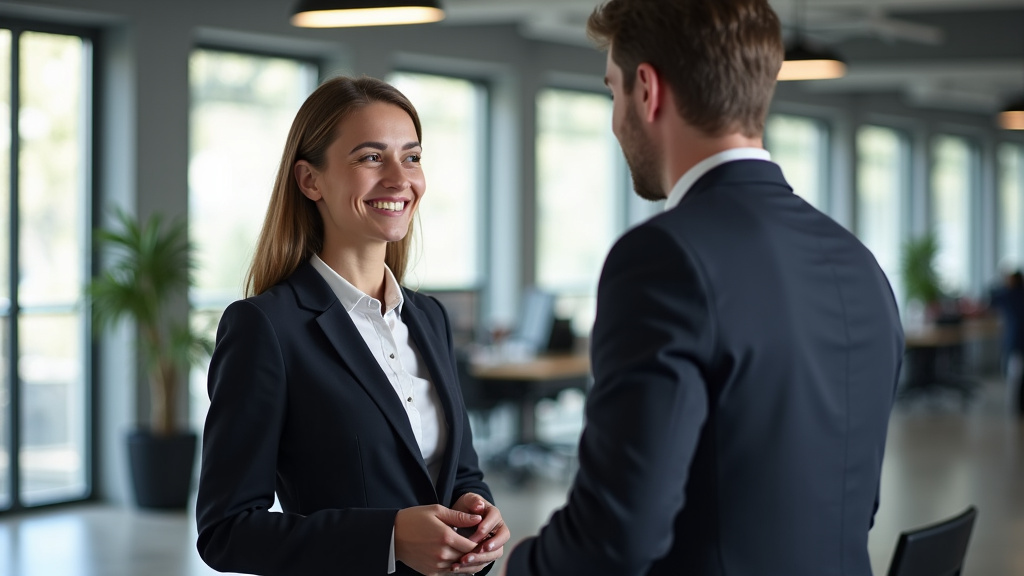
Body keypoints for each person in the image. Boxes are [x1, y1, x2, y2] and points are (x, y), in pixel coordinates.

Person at [503, 1, 904, 575]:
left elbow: (616, 536)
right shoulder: (856, 260)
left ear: (647, 90)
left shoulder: (662, 259)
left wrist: (521, 566)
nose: (616, 118)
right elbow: (850, 506)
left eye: (613, 90)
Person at [196, 76, 509, 576]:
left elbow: (460, 470)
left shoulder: (429, 318)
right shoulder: (266, 328)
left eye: (411, 156)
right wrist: (390, 539)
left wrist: (479, 514)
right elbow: (227, 531)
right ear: (309, 180)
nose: (399, 178)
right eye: (370, 158)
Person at [988, 270, 1024, 414]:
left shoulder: (1009, 294)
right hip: (1018, 339)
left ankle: (1016, 405)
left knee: (1014, 374)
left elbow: (992, 299)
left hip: (1016, 339)